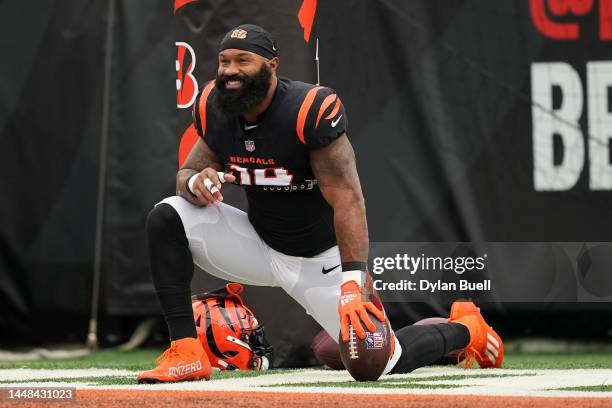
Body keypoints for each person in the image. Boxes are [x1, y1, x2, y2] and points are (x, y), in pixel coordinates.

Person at [137, 24, 503, 383]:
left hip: (319, 260)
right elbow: (188, 172)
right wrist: (196, 183)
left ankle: (465, 328)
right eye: (224, 61)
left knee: (372, 362)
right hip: (258, 242)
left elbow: (348, 198)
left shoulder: (307, 109)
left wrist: (352, 282)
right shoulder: (214, 107)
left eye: (243, 61)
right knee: (167, 215)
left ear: (271, 65)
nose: (230, 71)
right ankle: (185, 350)